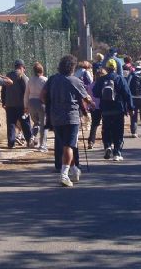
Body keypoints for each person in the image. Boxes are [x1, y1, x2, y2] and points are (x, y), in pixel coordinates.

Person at [42, 55, 91, 187]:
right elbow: (86, 98)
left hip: (55, 117)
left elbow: (42, 95)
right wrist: (90, 102)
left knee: (65, 145)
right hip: (71, 117)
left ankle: (75, 170)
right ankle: (64, 175)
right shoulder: (75, 80)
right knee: (69, 146)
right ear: (72, 67)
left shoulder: (52, 79)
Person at [92, 59, 133, 162]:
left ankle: (107, 146)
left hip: (105, 109)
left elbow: (95, 93)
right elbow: (127, 94)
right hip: (118, 109)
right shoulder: (120, 79)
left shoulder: (101, 80)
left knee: (106, 129)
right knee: (118, 131)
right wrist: (131, 107)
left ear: (106, 68)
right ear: (115, 68)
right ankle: (117, 153)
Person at [2, 59, 33, 149]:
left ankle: (11, 143)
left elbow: (3, 90)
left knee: (11, 124)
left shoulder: (8, 75)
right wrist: (27, 105)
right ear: (22, 67)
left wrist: (4, 102)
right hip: (21, 105)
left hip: (10, 105)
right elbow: (27, 92)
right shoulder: (23, 76)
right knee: (25, 124)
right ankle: (29, 141)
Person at [24, 62, 48, 152]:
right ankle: (42, 145)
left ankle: (32, 137)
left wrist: (25, 106)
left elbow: (26, 94)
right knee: (43, 125)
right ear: (42, 70)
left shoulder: (30, 80)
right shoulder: (45, 80)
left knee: (36, 122)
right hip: (41, 103)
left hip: (31, 102)